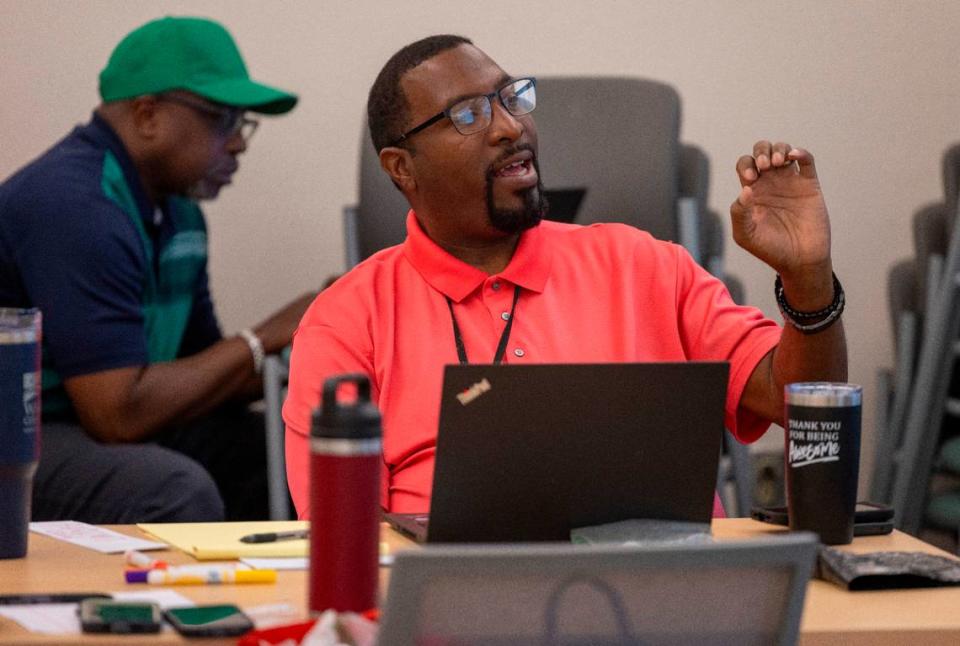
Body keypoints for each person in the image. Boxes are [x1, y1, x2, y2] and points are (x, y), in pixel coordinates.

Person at [283, 35, 847, 518]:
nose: (509, 126)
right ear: (402, 167)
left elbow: (799, 406)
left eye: (510, 98)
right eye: (468, 115)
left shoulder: (644, 265)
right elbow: (346, 538)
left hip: (668, 595)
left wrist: (808, 278)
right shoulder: (346, 320)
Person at [0, 16, 315, 523]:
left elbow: (201, 375)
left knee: (290, 451)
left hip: (89, 424)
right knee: (174, 489)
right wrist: (266, 336)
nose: (238, 143)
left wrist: (324, 342)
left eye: (243, 123)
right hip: (20, 436)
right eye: (223, 119)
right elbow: (117, 415)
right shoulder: (74, 206)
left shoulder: (180, 212)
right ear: (147, 115)